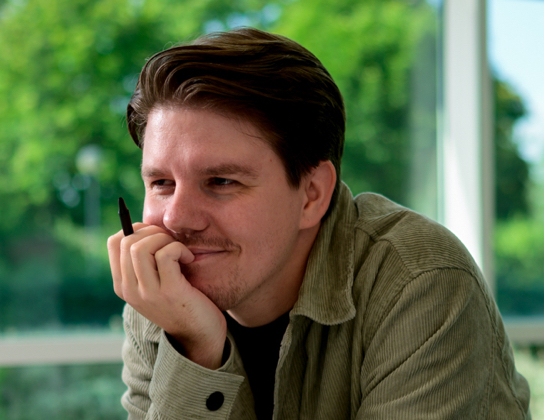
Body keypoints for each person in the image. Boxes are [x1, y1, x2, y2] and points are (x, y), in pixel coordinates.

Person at [107, 27, 531, 419]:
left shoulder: (419, 281)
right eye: (161, 183)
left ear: (312, 194)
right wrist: (195, 348)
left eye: (221, 182)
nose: (176, 218)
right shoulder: (162, 301)